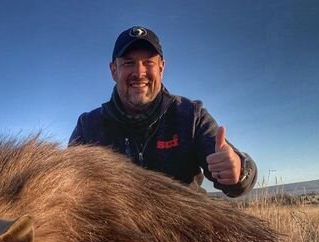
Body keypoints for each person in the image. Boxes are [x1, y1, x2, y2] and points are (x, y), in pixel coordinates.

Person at [69, 26, 257, 197]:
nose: (139, 72)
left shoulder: (191, 115)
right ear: (113, 71)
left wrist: (239, 171)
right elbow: (68, 188)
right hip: (114, 233)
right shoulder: (88, 126)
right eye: (128, 63)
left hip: (185, 229)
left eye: (148, 63)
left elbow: (238, 176)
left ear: (161, 67)